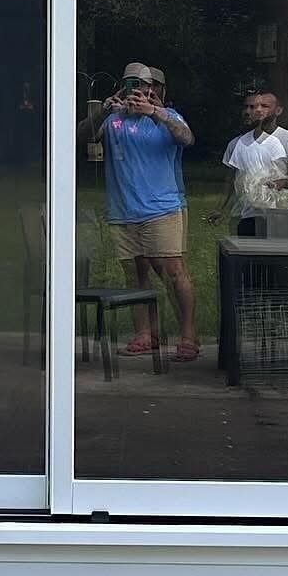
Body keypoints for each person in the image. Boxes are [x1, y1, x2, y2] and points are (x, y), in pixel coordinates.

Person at [77, 61, 200, 361]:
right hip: (122, 210)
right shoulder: (113, 117)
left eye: (144, 86)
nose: (138, 92)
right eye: (131, 84)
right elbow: (81, 138)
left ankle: (188, 336)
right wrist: (104, 109)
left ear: (155, 90)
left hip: (162, 208)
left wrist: (154, 112)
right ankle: (146, 334)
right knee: (135, 275)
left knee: (173, 271)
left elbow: (187, 138)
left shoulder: (167, 117)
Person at [208, 91, 288, 234]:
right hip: (249, 216)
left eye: (264, 106)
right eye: (252, 107)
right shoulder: (237, 143)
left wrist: (279, 183)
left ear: (278, 111)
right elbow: (230, 181)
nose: (256, 110)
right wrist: (220, 209)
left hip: (282, 216)